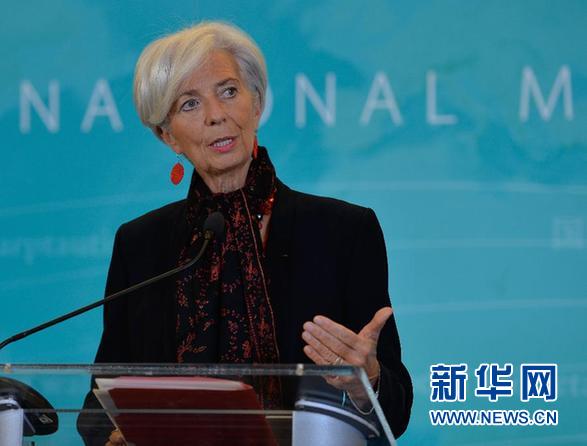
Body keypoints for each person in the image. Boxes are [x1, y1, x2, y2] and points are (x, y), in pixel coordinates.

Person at [78, 21, 412, 445]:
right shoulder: (140, 245)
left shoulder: (343, 231)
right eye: (189, 104)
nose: (216, 114)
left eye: (229, 91)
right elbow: (97, 405)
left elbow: (396, 411)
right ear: (167, 135)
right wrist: (113, 435)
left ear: (256, 104)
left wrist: (368, 379)